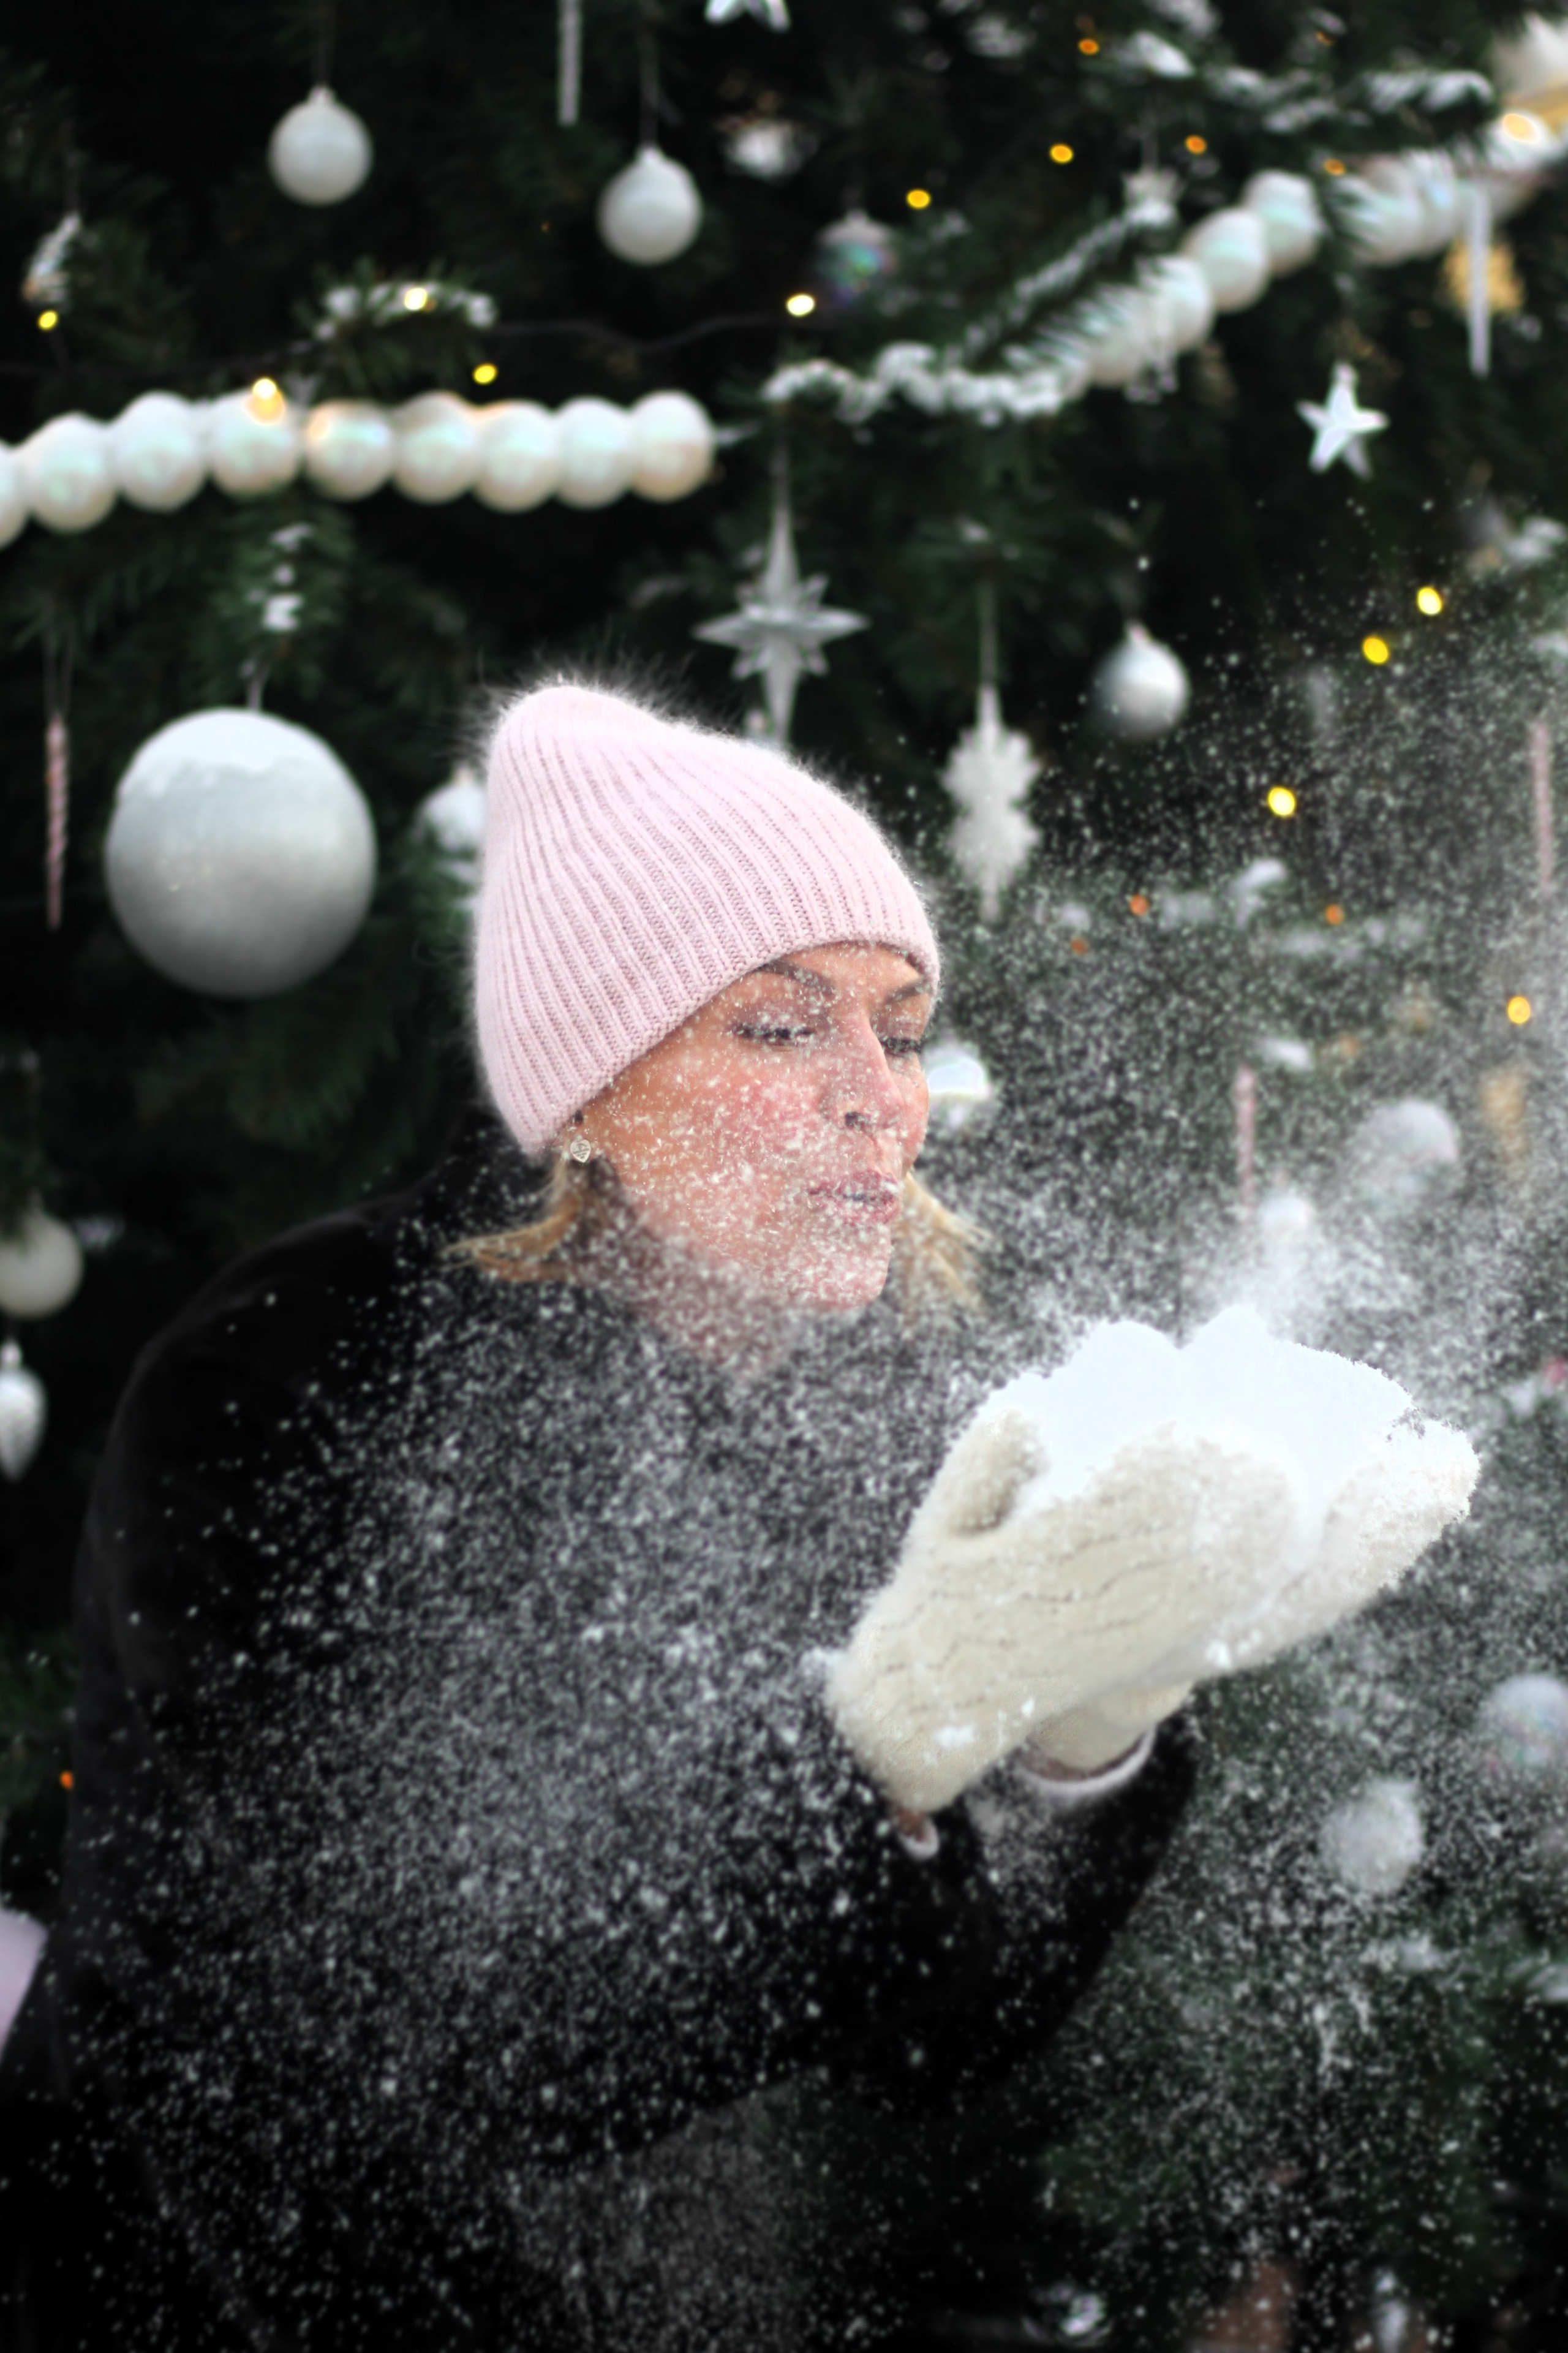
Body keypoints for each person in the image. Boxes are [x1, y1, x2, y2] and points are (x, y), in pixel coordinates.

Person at [0, 684, 1464, 2352]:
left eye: (897, 1030)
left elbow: (942, 2037)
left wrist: (1097, 1719)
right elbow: (405, 2032)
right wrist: (875, 1743)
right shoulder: (299, 1373)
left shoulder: (894, 1404)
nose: (880, 1096)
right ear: (593, 1087)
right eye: (780, 1027)